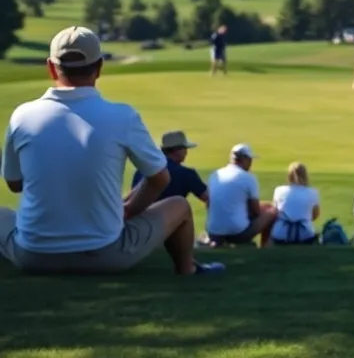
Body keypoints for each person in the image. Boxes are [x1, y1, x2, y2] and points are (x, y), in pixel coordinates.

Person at [0, 26, 222, 275]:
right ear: (99, 66)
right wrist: (130, 210)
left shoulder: (22, 116)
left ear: (51, 67)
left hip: (33, 256)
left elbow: (15, 184)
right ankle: (188, 271)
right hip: (106, 255)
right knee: (180, 205)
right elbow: (160, 178)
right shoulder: (123, 116)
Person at [205, 144, 277, 247]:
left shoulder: (214, 175)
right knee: (272, 211)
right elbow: (256, 212)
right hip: (237, 234)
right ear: (244, 159)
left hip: (213, 233)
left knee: (263, 206)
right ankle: (264, 246)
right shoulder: (249, 178)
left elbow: (208, 205)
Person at [131, 130, 209, 207]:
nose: (186, 152)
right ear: (177, 150)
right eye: (184, 148)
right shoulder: (186, 174)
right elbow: (209, 198)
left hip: (140, 217)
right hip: (168, 218)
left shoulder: (142, 171)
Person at [270, 162, 320, 245]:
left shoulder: (279, 190)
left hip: (281, 234)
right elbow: (315, 215)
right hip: (305, 234)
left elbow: (275, 213)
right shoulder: (313, 192)